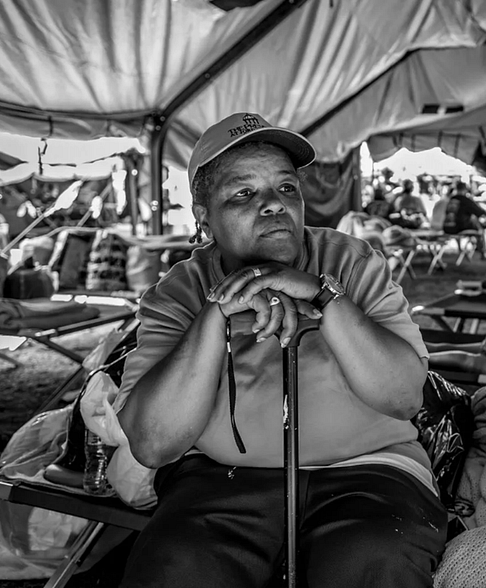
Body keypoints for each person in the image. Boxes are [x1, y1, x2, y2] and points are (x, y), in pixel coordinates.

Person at [116, 112, 446, 587]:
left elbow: (404, 399)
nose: (273, 205)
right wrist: (218, 312)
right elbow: (153, 444)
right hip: (222, 477)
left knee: (373, 559)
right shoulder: (179, 292)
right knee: (176, 565)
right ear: (203, 215)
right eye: (244, 193)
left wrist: (323, 295)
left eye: (286, 188)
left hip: (371, 471)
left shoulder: (352, 263)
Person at [441, 180, 486, 255]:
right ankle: (483, 253)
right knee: (478, 227)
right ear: (465, 190)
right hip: (459, 228)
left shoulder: (451, 199)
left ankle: (461, 249)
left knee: (470, 221)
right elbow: (480, 211)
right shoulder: (465, 200)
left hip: (446, 227)